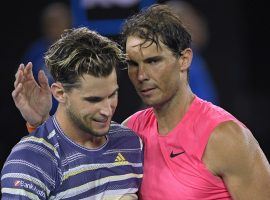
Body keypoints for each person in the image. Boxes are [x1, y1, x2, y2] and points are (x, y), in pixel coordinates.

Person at [9, 4, 270, 200]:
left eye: (153, 61)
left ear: (184, 59)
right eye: (133, 64)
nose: (141, 75)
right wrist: (39, 123)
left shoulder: (227, 137)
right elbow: (74, 162)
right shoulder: (130, 132)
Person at [1, 27, 143, 199]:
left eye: (112, 94)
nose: (107, 110)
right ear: (60, 93)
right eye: (93, 100)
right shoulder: (29, 160)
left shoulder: (131, 142)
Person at [21, 2, 72, 115]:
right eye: (49, 22)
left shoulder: (79, 50)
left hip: (74, 116)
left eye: (57, 21)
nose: (53, 26)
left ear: (68, 22)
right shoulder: (35, 52)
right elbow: (22, 84)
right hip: (42, 115)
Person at [166, 0, 219, 104]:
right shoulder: (178, 62)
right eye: (188, 21)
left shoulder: (196, 59)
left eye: (194, 20)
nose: (197, 25)